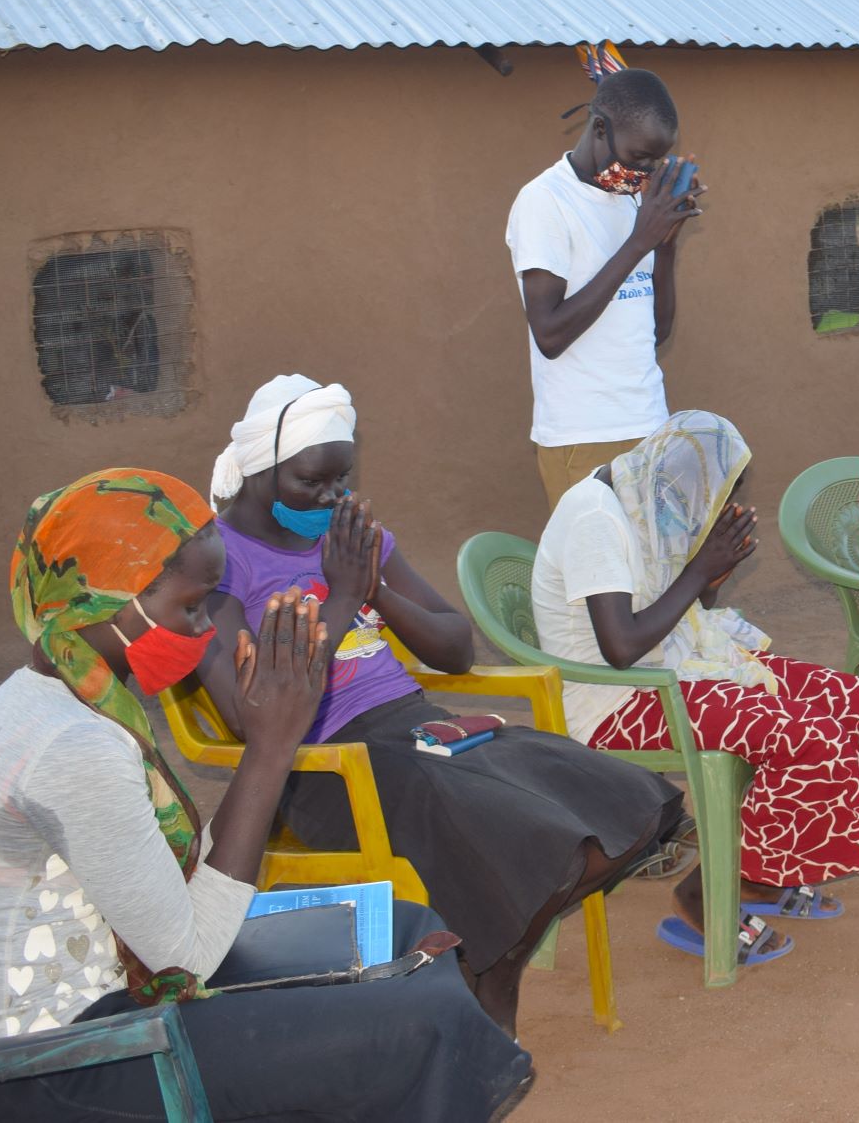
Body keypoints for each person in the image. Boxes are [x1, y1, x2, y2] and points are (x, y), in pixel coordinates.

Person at [0, 470, 530, 1122]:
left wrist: (268, 743)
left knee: (404, 929)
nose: (201, 633)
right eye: (191, 607)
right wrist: (271, 749)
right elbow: (187, 959)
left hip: (108, 994)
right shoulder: (73, 746)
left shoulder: (43, 695)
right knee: (419, 1019)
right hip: (35, 1071)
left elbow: (177, 909)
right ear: (107, 603)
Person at [199, 375, 688, 1031]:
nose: (329, 496)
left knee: (620, 805)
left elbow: (454, 647)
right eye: (311, 482)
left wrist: (373, 589)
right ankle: (491, 978)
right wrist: (340, 600)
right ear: (262, 469)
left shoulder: (346, 535)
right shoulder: (217, 562)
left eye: (339, 480)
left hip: (419, 726)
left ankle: (494, 964)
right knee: (535, 841)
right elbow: (249, 711)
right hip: (324, 761)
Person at [531, 410, 859, 964]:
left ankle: (764, 876)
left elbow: (682, 609)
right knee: (805, 736)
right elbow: (620, 648)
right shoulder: (595, 519)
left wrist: (709, 578)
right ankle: (705, 893)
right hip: (614, 699)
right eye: (717, 493)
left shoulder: (650, 499)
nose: (717, 505)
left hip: (672, 666)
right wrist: (700, 572)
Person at [507, 59, 705, 511]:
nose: (643, 172)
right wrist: (640, 242)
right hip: (584, 435)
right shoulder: (544, 202)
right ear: (600, 129)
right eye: (637, 158)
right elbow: (550, 335)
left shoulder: (634, 201)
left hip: (649, 422)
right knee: (601, 579)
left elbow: (658, 333)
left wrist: (666, 244)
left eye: (655, 161)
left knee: (651, 577)